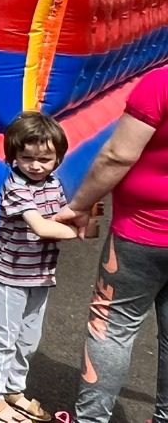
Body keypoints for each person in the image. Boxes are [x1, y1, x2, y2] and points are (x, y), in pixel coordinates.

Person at [54, 66, 168, 422]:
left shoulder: (161, 83)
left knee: (113, 327)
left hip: (144, 232)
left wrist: (80, 204)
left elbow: (117, 155)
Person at [0, 112, 77, 423]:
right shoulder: (16, 187)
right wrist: (80, 231)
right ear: (13, 157)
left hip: (40, 275)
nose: (35, 165)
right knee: (3, 338)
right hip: (9, 277)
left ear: (57, 158)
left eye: (44, 159)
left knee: (28, 340)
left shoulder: (53, 183)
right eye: (26, 158)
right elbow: (42, 227)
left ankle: (13, 389)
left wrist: (81, 213)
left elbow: (61, 215)